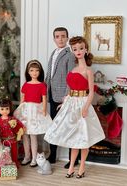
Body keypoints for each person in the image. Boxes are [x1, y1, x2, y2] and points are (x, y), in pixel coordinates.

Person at [44, 36, 105, 178]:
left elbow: (90, 93)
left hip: (83, 103)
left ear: (86, 49)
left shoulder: (88, 70)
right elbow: (70, 90)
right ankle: (71, 166)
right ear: (72, 51)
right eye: (75, 49)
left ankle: (81, 166)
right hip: (72, 103)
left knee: (83, 137)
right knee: (74, 138)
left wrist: (85, 107)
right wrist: (64, 102)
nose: (78, 51)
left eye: (81, 48)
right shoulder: (73, 69)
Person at [45, 27, 77, 168]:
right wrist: (45, 94)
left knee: (68, 126)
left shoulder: (69, 55)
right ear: (54, 39)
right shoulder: (53, 53)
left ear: (67, 38)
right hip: (52, 94)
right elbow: (49, 75)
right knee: (54, 127)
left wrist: (67, 97)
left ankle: (73, 159)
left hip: (63, 97)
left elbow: (70, 77)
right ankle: (52, 155)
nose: (60, 39)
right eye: (57, 37)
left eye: (63, 36)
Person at [14, 60, 52, 167]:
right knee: (25, 135)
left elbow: (44, 99)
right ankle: (27, 156)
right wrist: (20, 110)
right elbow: (23, 99)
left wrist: (44, 110)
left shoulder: (42, 85)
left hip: (36, 111)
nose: (34, 73)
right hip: (26, 111)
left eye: (37, 70)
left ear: (40, 72)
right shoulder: (25, 85)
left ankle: (34, 158)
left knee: (33, 135)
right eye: (32, 70)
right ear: (28, 72)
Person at [0, 98, 25, 167]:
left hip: (12, 140)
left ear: (10, 109)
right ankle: (6, 167)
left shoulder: (12, 119)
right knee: (4, 155)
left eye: (7, 109)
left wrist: (19, 128)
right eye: (2, 109)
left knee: (14, 153)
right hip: (3, 141)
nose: (5, 111)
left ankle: (14, 166)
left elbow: (19, 126)